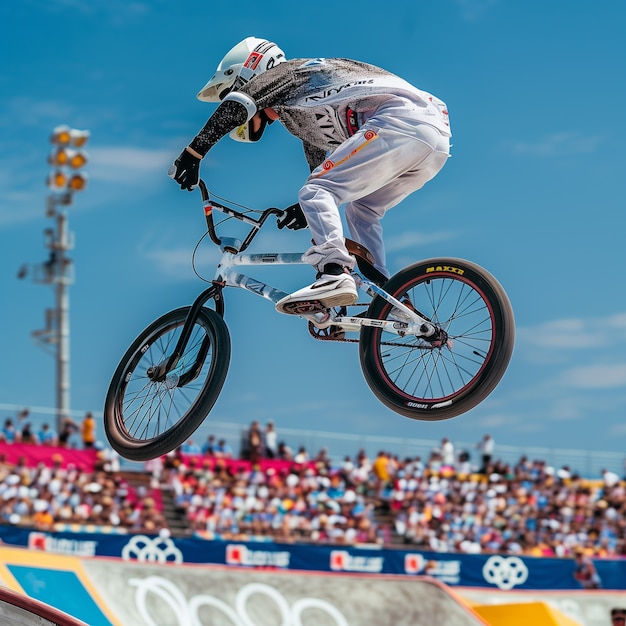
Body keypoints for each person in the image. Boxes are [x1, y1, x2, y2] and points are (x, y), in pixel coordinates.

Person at [170, 37, 451, 313]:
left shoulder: (289, 73)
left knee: (316, 191)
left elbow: (238, 104)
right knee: (361, 208)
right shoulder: (302, 115)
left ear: (250, 75)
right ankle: (387, 297)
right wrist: (305, 210)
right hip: (433, 139)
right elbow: (323, 170)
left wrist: (193, 155)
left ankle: (334, 271)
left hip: (400, 122)